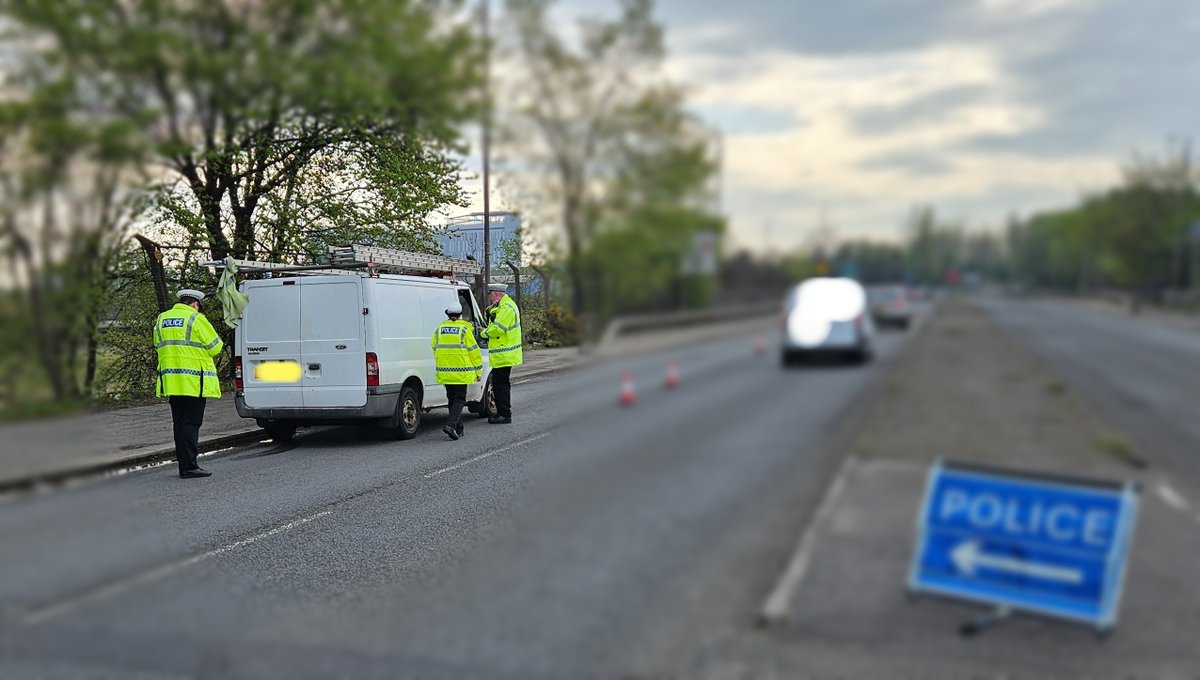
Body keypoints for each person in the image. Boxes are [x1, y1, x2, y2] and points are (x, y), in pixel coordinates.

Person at [154, 289, 223, 478]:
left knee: (179, 424)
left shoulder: (162, 319)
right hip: (193, 382)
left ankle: (184, 465)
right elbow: (216, 347)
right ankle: (190, 467)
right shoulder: (196, 319)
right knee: (191, 424)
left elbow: (157, 344)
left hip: (172, 382)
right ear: (195, 304)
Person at [432, 301, 483, 440]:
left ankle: (458, 428)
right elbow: (474, 352)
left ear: (448, 314)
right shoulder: (465, 330)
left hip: (445, 371)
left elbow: (434, 347)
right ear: (460, 314)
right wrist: (478, 372)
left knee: (452, 399)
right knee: (459, 400)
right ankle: (451, 425)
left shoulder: (439, 329)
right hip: (461, 372)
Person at [484, 283, 522, 424]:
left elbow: (497, 329)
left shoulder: (506, 308)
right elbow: (490, 317)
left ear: (496, 293)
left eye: (491, 294)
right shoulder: (503, 306)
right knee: (500, 384)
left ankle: (504, 414)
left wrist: (483, 333)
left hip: (504, 354)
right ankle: (502, 412)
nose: (490, 297)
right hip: (503, 354)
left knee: (501, 385)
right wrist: (491, 309)